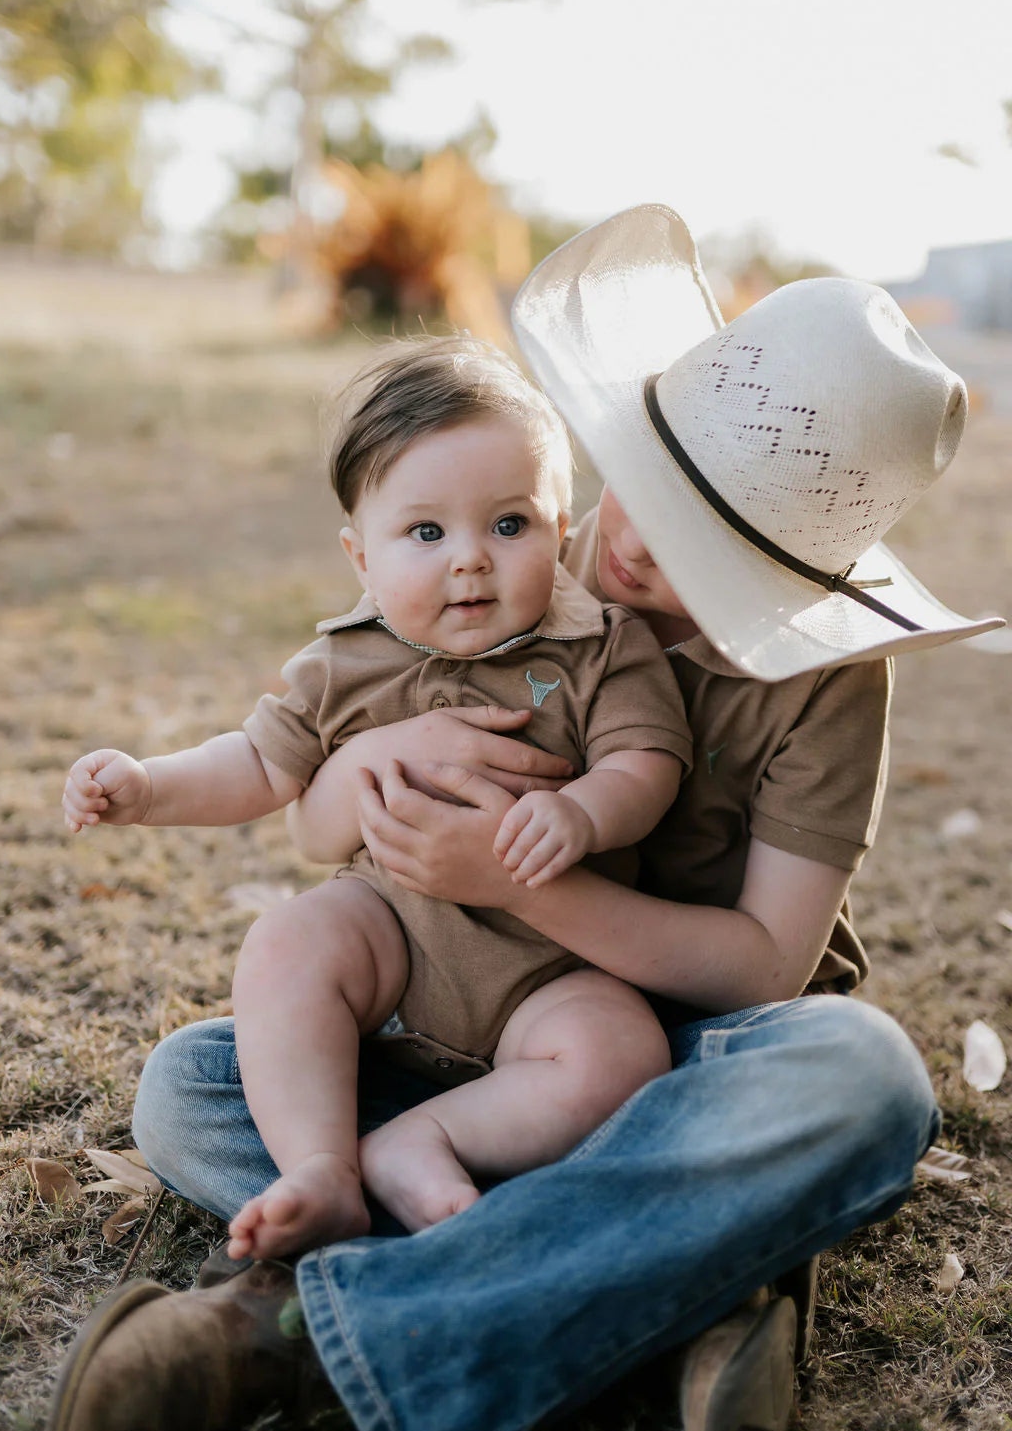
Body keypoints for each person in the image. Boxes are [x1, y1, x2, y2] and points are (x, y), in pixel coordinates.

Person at [45, 206, 1002, 1431]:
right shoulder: (510, 549)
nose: (629, 546)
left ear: (800, 570)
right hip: (448, 1007)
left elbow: (766, 966)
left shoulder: (824, 683)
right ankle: (668, 1295)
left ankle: (298, 1334)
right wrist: (364, 769)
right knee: (192, 1085)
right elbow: (314, 822)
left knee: (864, 1078)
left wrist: (526, 888)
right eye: (641, 484)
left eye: (702, 541)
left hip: (665, 1036)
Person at [60, 336, 689, 1262]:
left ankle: (426, 1143)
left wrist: (586, 812)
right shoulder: (348, 662)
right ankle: (323, 1169)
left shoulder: (602, 648)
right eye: (426, 533)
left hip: (552, 969)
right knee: (289, 942)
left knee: (624, 1054)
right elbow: (260, 765)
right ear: (361, 555)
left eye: (508, 525)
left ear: (563, 529)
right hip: (389, 941)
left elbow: (648, 762)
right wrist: (148, 787)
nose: (469, 561)